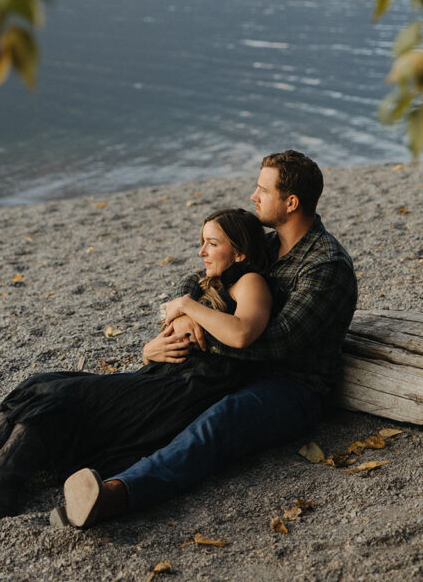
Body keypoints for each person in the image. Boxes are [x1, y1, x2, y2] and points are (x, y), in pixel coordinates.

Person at [0, 207, 273, 519]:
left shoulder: (250, 281)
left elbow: (242, 333)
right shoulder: (214, 281)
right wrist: (155, 343)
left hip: (186, 390)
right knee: (44, 383)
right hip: (164, 376)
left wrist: (185, 307)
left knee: (64, 394)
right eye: (202, 242)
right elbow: (176, 327)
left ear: (240, 252)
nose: (202, 252)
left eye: (212, 244)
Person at [57, 149, 358, 527]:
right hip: (234, 367)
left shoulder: (325, 264)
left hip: (292, 387)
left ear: (292, 202)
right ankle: (40, 444)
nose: (253, 195)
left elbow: (279, 343)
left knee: (218, 422)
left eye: (263, 189)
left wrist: (197, 333)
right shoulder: (266, 245)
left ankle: (117, 494)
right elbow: (201, 278)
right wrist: (178, 320)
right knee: (150, 396)